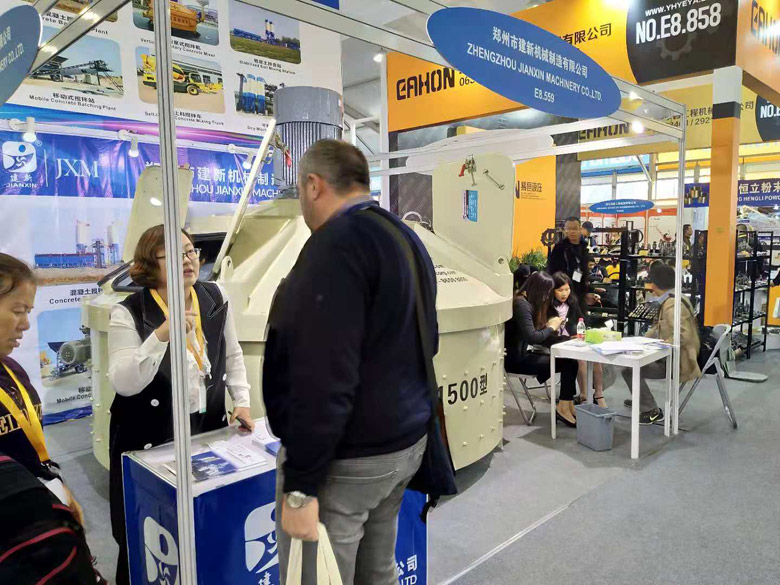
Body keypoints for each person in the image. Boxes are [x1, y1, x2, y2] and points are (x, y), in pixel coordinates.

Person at [263, 139, 434, 585]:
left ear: (313, 185)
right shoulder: (404, 236)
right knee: (377, 573)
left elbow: (321, 376)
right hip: (403, 445)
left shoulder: (333, 246)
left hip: (348, 462)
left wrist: (301, 487)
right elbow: (427, 341)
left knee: (316, 575)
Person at [107, 225, 253, 585]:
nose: (188, 260)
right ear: (149, 263)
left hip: (205, 428)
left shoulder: (213, 295)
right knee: (147, 530)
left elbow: (231, 354)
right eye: (174, 254)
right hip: (149, 434)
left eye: (190, 251)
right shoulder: (128, 312)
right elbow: (125, 383)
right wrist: (161, 335)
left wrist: (243, 401)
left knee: (204, 520)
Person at [0, 253, 106, 584]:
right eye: (18, 310)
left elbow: (31, 450)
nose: (25, 324)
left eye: (28, 312)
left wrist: (57, 487)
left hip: (43, 514)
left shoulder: (12, 369)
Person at [622, 262, 701, 424]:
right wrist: (642, 341)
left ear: (654, 285)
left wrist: (656, 348)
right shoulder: (676, 298)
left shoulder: (672, 305)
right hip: (678, 356)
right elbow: (660, 327)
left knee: (629, 369)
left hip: (679, 362)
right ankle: (641, 398)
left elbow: (681, 336)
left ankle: (650, 409)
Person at [505, 271, 579, 426]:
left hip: (523, 353)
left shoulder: (525, 302)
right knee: (569, 363)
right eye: (547, 293)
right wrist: (551, 327)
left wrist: (557, 333)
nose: (547, 298)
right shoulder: (521, 305)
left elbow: (536, 334)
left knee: (570, 361)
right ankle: (563, 407)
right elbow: (532, 337)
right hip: (515, 360)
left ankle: (566, 404)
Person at [549, 272, 606, 407]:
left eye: (567, 289)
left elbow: (582, 320)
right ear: (553, 290)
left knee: (595, 356)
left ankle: (599, 394)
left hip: (572, 339)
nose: (564, 293)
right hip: (557, 342)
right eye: (560, 290)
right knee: (580, 359)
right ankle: (584, 395)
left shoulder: (572, 302)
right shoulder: (548, 305)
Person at [548, 217, 599, 311]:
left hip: (580, 293)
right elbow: (552, 272)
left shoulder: (583, 246)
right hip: (564, 293)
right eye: (568, 228)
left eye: (575, 228)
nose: (572, 232)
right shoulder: (559, 248)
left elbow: (584, 272)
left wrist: (589, 290)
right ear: (564, 230)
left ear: (580, 229)